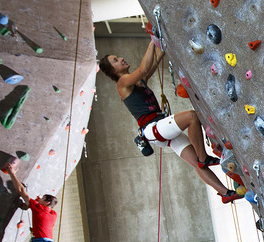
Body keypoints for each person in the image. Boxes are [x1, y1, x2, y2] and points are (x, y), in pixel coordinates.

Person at [98, 40, 239, 203]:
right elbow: (143, 69)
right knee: (192, 117)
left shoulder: (138, 82)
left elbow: (156, 59)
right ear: (113, 71)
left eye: (118, 57)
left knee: (195, 163)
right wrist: (151, 43)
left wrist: (160, 41)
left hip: (159, 130)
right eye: (115, 60)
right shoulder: (122, 83)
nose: (121, 58)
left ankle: (225, 194)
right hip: (153, 129)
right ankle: (203, 157)